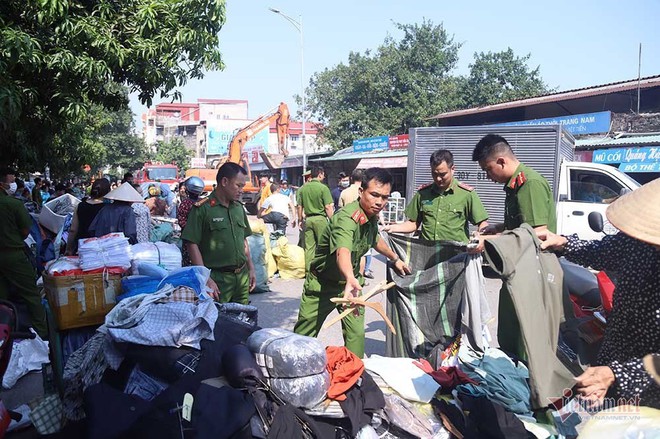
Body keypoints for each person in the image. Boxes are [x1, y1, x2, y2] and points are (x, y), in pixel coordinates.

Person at [537, 177, 660, 408]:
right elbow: (604, 251)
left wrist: (618, 374)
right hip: (616, 350)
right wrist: (563, 243)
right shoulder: (637, 240)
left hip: (650, 384)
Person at [293, 168, 412, 357]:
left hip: (352, 286)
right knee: (302, 339)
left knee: (356, 335)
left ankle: (354, 377)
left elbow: (374, 240)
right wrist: (349, 276)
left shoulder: (370, 216)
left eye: (385, 197)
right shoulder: (347, 219)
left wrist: (394, 258)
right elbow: (343, 251)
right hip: (322, 286)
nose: (380, 202)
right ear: (360, 191)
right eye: (374, 195)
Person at [472, 134, 557, 359]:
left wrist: (489, 240)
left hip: (532, 274)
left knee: (525, 337)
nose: (488, 176)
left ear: (501, 161)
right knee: (511, 330)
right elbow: (521, 225)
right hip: (518, 270)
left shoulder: (529, 184)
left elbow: (538, 233)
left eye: (488, 169)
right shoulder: (514, 185)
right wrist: (498, 228)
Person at [384, 149, 489, 253]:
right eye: (434, 174)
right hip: (426, 254)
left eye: (443, 174)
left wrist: (480, 238)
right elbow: (413, 224)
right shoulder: (423, 194)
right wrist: (393, 228)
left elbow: (482, 223)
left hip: (455, 256)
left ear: (452, 169)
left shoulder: (466, 194)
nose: (438, 178)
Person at [182, 163, 256, 304]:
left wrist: (251, 268)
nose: (242, 190)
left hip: (241, 277)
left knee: (243, 321)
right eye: (238, 185)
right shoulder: (203, 209)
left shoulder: (238, 208)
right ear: (224, 182)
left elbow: (243, 240)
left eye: (242, 186)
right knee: (220, 322)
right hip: (217, 280)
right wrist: (206, 279)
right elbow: (192, 244)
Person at [0, 168, 47, 338]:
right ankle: (42, 336)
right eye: (11, 181)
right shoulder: (13, 204)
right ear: (2, 184)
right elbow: (26, 231)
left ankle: (4, 335)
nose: (13, 184)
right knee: (31, 295)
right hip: (14, 255)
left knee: (2, 295)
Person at [296, 165, 334, 271]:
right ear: (320, 174)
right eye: (323, 174)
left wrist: (300, 220)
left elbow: (299, 206)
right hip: (320, 219)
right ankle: (322, 270)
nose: (324, 176)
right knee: (323, 246)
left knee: (309, 248)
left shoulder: (303, 189)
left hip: (308, 220)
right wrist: (333, 221)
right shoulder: (323, 188)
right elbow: (328, 207)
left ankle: (309, 271)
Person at [66, 178, 112, 255]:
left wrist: (69, 249)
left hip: (82, 246)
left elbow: (73, 230)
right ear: (107, 191)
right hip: (101, 248)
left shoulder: (80, 205)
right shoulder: (108, 208)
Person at [177, 177, 204, 266]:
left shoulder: (184, 204)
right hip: (203, 238)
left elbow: (181, 221)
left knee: (188, 261)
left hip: (188, 239)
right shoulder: (204, 203)